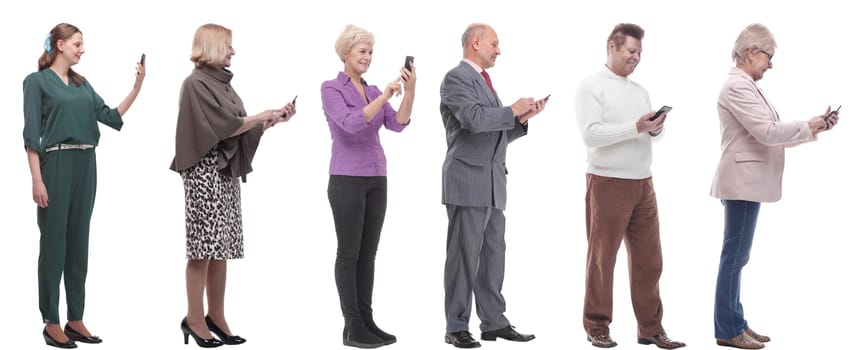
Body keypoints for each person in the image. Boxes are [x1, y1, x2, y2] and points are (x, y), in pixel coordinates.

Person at [710, 23, 838, 350]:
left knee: (739, 255)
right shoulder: (736, 87)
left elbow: (769, 135)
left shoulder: (749, 86)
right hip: (740, 183)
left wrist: (814, 129)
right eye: (769, 57)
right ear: (751, 51)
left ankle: (735, 321)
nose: (769, 65)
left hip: (748, 183)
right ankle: (727, 328)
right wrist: (805, 125)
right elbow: (767, 133)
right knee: (734, 256)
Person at [170, 23, 295, 348]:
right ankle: (194, 319)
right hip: (203, 173)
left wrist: (271, 121)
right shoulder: (195, 84)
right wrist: (258, 116)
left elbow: (237, 128)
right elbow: (224, 127)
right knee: (203, 248)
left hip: (223, 173)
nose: (233, 51)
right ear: (212, 46)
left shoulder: (223, 85)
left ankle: (217, 317)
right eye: (228, 45)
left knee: (221, 247)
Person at [22, 22, 145, 349]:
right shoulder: (36, 83)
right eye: (77, 43)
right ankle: (51, 321)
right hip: (56, 164)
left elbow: (108, 115)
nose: (82, 48)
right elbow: (31, 135)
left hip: (86, 163)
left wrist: (137, 87)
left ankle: (75, 318)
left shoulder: (81, 83)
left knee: (78, 242)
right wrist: (37, 178)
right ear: (59, 45)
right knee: (54, 244)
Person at [573, 23, 686, 349]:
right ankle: (597, 326)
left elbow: (649, 133)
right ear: (612, 45)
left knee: (650, 261)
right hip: (607, 183)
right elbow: (591, 134)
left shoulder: (639, 91)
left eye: (640, 53)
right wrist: (635, 127)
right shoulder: (591, 86)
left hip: (643, 184)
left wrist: (653, 129)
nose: (636, 58)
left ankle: (650, 328)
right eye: (631, 51)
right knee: (602, 259)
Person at [439, 23, 545, 349]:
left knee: (493, 256)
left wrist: (521, 120)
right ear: (476, 42)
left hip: (493, 184)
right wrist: (511, 109)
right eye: (494, 44)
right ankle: (456, 326)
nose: (498, 50)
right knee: (463, 257)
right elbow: (474, 120)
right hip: (467, 182)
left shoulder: (485, 82)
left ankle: (493, 322)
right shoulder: (457, 78)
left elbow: (494, 134)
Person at [321, 24, 416, 349]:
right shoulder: (331, 88)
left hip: (377, 178)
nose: (368, 57)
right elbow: (349, 124)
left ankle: (366, 319)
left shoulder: (374, 90)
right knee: (349, 252)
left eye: (371, 52)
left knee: (368, 254)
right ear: (345, 53)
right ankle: (352, 325)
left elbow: (398, 124)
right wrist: (387, 95)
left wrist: (409, 90)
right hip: (347, 179)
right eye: (362, 51)